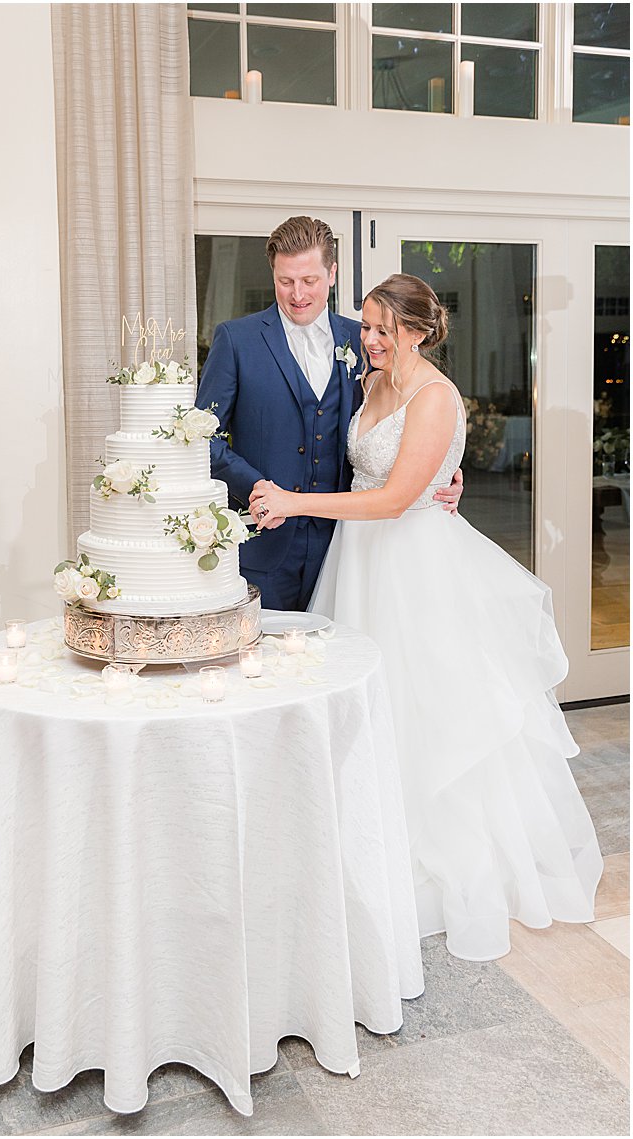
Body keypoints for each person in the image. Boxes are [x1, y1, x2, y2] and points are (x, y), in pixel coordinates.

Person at [249, 273, 603, 962]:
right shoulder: (376, 380)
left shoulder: (436, 396)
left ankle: (434, 852)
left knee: (424, 708)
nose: (368, 338)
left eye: (382, 328)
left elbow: (394, 498)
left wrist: (293, 500)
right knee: (368, 705)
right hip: (361, 563)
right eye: (367, 325)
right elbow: (368, 473)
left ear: (415, 329)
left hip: (413, 566)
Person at [196, 216, 462, 611]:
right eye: (286, 281)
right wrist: (260, 491)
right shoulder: (237, 340)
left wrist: (440, 476)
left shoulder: (366, 339)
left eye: (309, 280)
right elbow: (204, 438)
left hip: (347, 545)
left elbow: (410, 417)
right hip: (264, 545)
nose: (297, 294)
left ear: (332, 272)